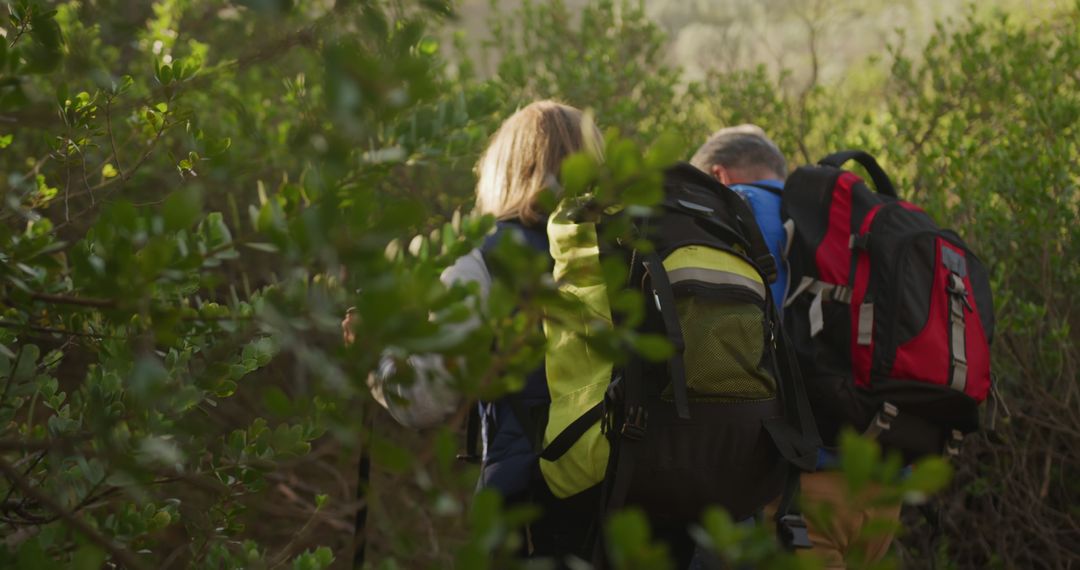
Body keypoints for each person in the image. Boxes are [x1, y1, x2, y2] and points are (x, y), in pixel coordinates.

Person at [343, 100, 604, 563]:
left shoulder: (482, 254)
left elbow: (427, 398)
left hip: (526, 507)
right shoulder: (627, 247)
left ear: (505, 167)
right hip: (634, 502)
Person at [690, 125, 903, 569]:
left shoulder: (734, 213)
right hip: (881, 489)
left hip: (798, 495)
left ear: (719, 176)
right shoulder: (838, 220)